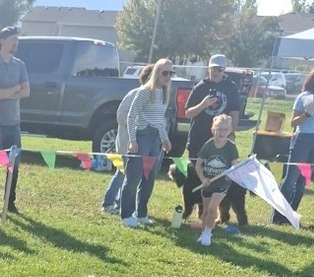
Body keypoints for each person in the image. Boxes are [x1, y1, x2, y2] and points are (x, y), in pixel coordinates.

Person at [183, 54, 240, 226]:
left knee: (217, 177)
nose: (215, 72)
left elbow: (235, 112)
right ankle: (201, 215)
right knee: (199, 178)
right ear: (208, 68)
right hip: (198, 139)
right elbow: (187, 113)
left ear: (224, 70)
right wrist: (202, 104)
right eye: (213, 68)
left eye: (219, 69)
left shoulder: (230, 87)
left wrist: (231, 134)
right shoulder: (200, 87)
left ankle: (217, 214)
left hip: (221, 141)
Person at [120, 57, 173, 228]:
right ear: (157, 73)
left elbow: (159, 119)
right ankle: (126, 214)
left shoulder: (165, 93)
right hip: (141, 135)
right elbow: (131, 116)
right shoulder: (144, 91)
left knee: (149, 178)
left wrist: (165, 138)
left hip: (155, 138)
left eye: (171, 73)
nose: (168, 76)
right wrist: (132, 140)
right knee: (134, 177)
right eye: (165, 73)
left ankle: (141, 212)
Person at [0, 27, 29, 215]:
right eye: (12, 39)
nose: (15, 43)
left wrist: (7, 91)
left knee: (14, 165)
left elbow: (26, 92)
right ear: (2, 40)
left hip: (14, 123)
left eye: (17, 39)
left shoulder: (20, 65)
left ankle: (10, 203)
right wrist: (15, 89)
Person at [274, 64, 314, 225]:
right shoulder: (304, 97)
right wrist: (306, 115)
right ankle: (278, 216)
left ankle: (291, 216)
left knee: (304, 180)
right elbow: (293, 122)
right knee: (291, 179)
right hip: (302, 140)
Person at [101, 64, 153, 215]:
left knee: (129, 175)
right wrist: (138, 124)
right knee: (122, 173)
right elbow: (121, 115)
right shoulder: (135, 94)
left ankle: (119, 203)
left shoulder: (154, 97)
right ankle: (108, 202)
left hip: (142, 143)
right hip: (127, 141)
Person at [195, 114, 240, 246]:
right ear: (213, 129)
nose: (222, 132)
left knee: (213, 207)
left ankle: (208, 234)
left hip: (222, 183)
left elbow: (234, 165)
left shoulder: (231, 147)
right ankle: (204, 233)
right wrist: (203, 179)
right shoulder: (208, 145)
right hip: (208, 182)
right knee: (206, 210)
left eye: (226, 129)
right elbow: (198, 165)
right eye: (219, 129)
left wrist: (230, 173)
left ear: (230, 130)